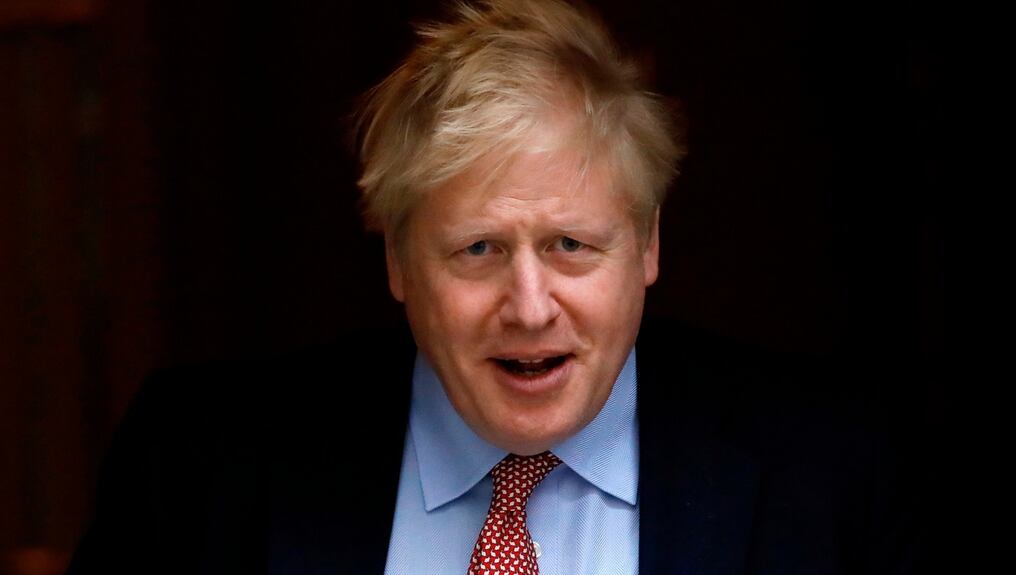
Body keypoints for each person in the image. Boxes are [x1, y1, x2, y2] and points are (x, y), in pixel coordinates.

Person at [67, 1, 921, 573]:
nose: (530, 304)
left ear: (649, 245)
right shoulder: (197, 472)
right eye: (477, 248)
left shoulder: (832, 475)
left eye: (572, 245)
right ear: (398, 262)